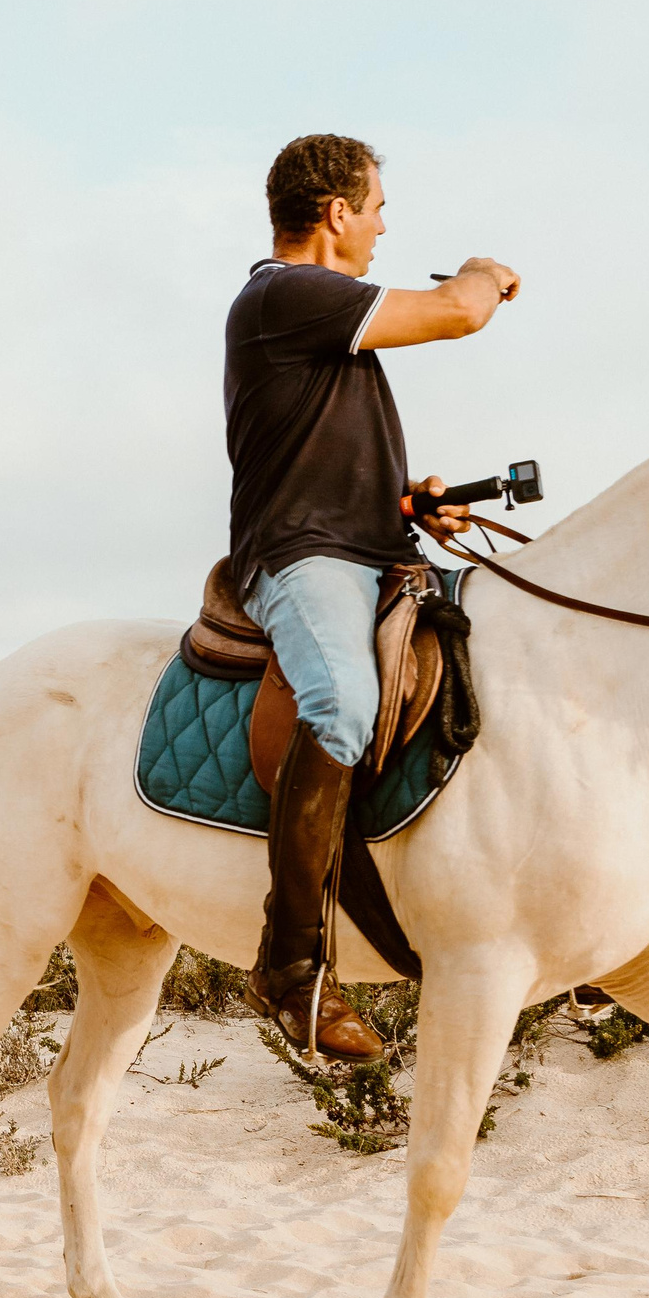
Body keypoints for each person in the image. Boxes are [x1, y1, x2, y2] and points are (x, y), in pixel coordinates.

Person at [226, 134, 520, 1059]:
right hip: (301, 560)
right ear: (338, 212)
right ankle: (293, 968)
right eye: (380, 207)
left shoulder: (318, 323)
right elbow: (458, 313)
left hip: (374, 547)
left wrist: (404, 501)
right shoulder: (286, 293)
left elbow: (321, 454)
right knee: (343, 702)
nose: (386, 225)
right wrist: (480, 272)